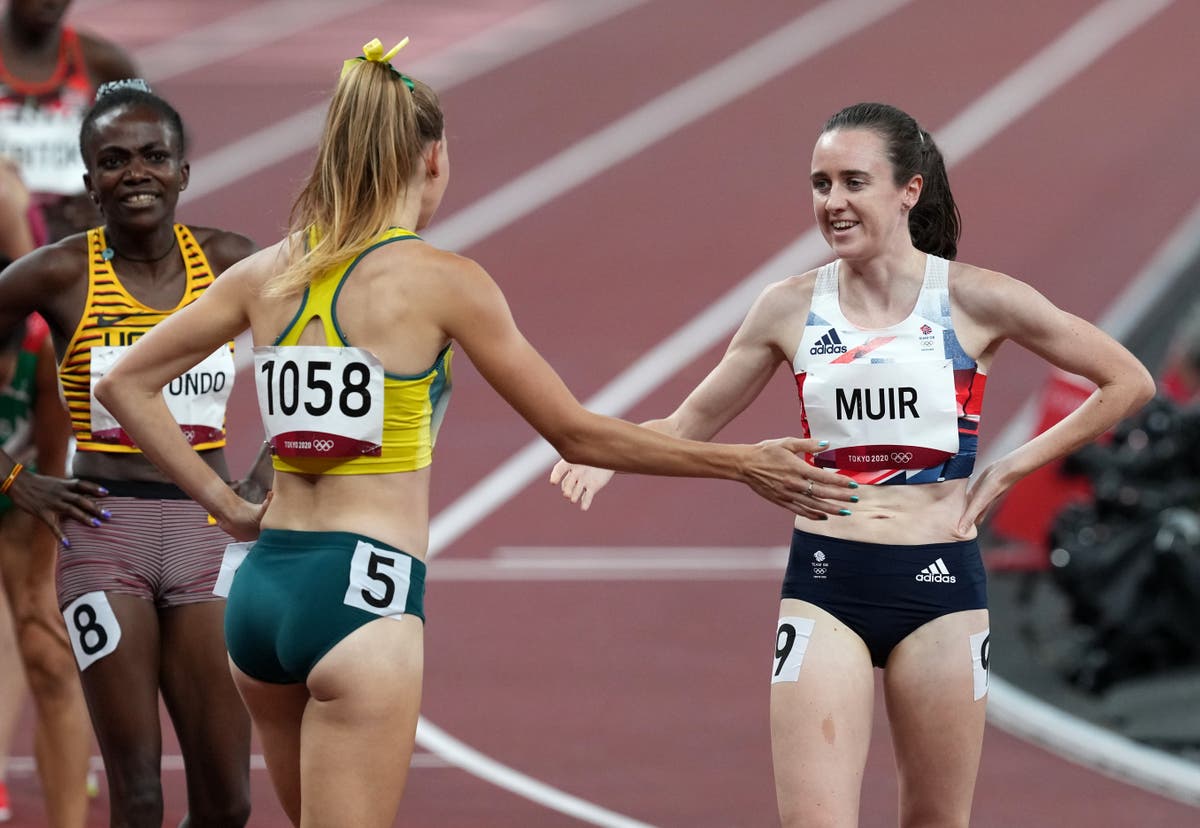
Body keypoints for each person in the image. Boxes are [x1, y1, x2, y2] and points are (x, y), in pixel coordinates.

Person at [93, 37, 843, 828]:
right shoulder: (443, 284)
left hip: (258, 594)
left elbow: (122, 383)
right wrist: (740, 462)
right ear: (433, 159)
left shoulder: (266, 274)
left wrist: (223, 502)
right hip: (361, 601)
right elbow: (577, 434)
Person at [550, 101, 1156, 827]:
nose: (832, 202)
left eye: (853, 182)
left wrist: (1010, 467)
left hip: (941, 590)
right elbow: (689, 425)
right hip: (828, 583)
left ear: (909, 190)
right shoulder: (788, 308)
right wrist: (609, 450)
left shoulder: (975, 298)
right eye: (820, 183)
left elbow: (1128, 382)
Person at [0, 80, 260, 827]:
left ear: (184, 172)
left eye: (154, 156)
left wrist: (263, 475)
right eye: (114, 160)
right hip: (104, 535)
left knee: (229, 803)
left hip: (208, 535)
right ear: (89, 182)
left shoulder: (236, 265)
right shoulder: (58, 273)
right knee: (138, 798)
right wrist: (17, 478)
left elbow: (313, 356)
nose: (135, 172)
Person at [0, 309, 94, 828]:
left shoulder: (39, 349)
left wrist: (39, 584)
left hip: (24, 502)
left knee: (50, 657)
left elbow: (55, 468)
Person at [0, 0, 137, 243]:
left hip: (78, 227)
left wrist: (109, 193)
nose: (53, 2)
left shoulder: (100, 62)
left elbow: (161, 131)